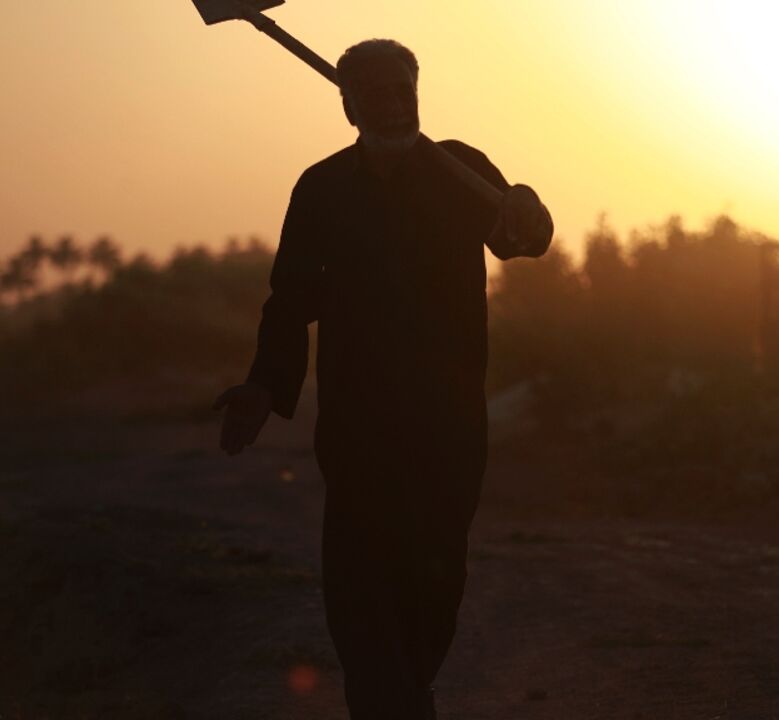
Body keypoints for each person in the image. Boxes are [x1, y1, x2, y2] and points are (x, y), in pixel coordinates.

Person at [212, 38, 553, 719]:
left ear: (418, 93)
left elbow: (524, 240)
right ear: (348, 106)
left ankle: (407, 689)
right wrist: (264, 386)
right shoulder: (323, 189)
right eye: (377, 94)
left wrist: (528, 206)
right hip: (358, 422)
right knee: (360, 580)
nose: (396, 105)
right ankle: (386, 701)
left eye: (405, 91)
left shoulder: (461, 169)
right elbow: (290, 300)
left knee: (436, 576)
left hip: (449, 422)